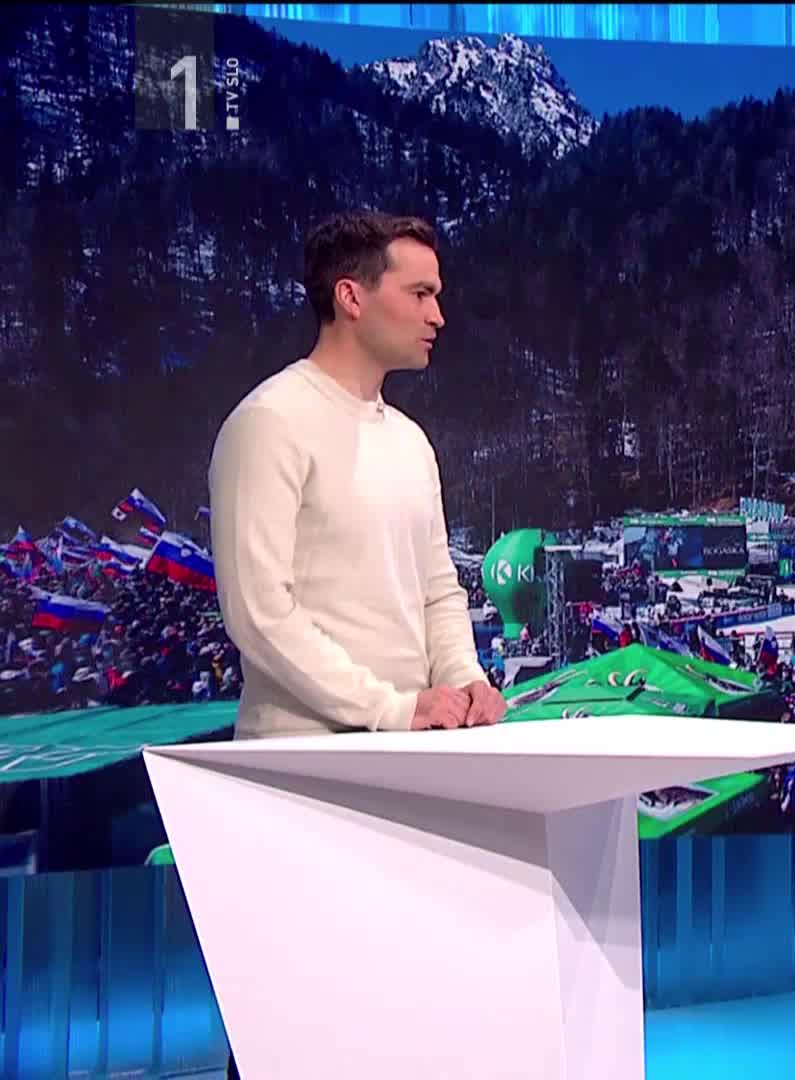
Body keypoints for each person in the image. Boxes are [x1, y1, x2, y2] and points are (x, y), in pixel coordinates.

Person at [207, 210, 508, 1076]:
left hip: (408, 770)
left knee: (394, 1030)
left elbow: (437, 587)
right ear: (351, 296)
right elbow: (259, 613)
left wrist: (464, 680)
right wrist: (392, 707)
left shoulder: (410, 442)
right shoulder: (270, 422)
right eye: (420, 293)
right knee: (295, 1033)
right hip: (302, 775)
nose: (438, 314)